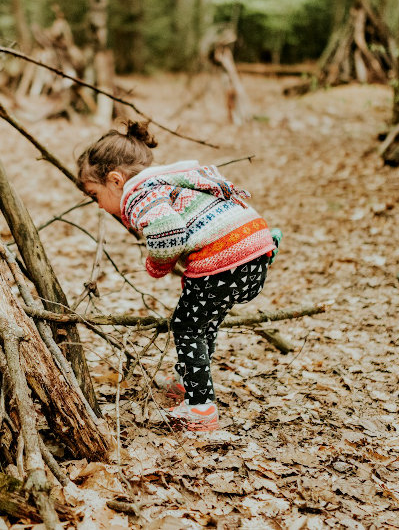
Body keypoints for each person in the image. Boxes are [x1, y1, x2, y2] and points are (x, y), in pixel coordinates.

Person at [77, 121, 280, 432]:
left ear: (115, 180)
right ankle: (188, 380)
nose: (100, 206)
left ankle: (200, 408)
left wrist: (157, 265)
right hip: (255, 251)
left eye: (95, 195)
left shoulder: (138, 195)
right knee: (203, 321)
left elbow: (167, 232)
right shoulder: (168, 183)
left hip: (225, 260)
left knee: (187, 325)